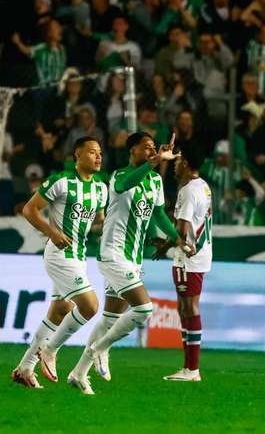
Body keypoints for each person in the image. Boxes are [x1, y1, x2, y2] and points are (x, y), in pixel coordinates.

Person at [66, 132, 182, 395]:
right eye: (145, 148)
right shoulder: (119, 176)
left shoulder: (154, 180)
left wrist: (178, 239)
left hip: (133, 258)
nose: (151, 151)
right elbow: (125, 185)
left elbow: (159, 214)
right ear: (132, 151)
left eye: (154, 148)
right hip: (113, 253)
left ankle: (79, 373)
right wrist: (153, 162)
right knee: (144, 309)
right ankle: (101, 348)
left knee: (110, 318)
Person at [11, 137, 108, 390]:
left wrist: (109, 227)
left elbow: (97, 223)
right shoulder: (61, 182)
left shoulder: (101, 189)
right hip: (58, 254)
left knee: (60, 311)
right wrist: (52, 232)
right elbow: (29, 210)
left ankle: (25, 368)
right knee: (90, 306)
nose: (98, 157)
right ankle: (51, 350)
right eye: (91, 152)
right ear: (77, 156)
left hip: (78, 256)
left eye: (99, 153)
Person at [155, 143, 212, 382]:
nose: (175, 163)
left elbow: (182, 226)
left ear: (186, 163)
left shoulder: (188, 190)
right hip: (199, 253)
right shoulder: (203, 186)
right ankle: (189, 367)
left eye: (178, 160)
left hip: (188, 258)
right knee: (185, 307)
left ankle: (192, 369)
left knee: (189, 308)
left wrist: (165, 245)